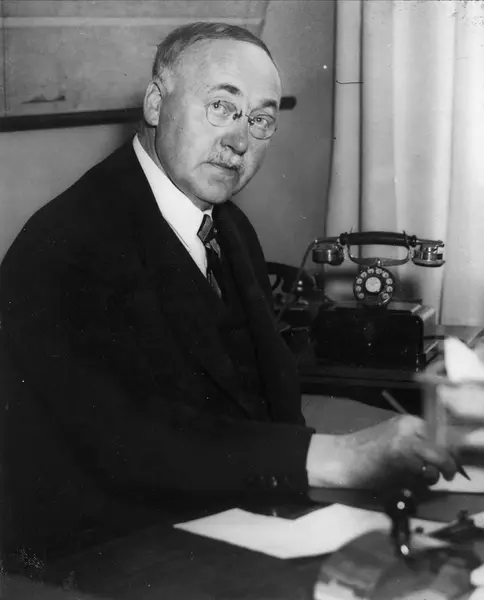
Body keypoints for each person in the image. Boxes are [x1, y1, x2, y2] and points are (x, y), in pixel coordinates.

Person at [0, 22, 457, 568]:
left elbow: (266, 399)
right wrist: (340, 456)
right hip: (100, 553)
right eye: (221, 106)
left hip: (234, 522)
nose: (240, 141)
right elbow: (126, 441)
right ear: (155, 104)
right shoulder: (64, 245)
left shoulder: (229, 227)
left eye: (260, 119)